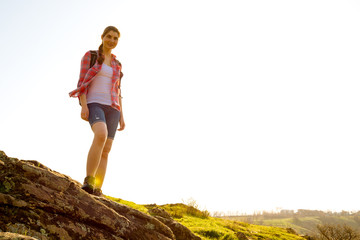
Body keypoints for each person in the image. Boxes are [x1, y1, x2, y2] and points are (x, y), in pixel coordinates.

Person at [69, 26, 125, 196]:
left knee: (106, 149)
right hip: (94, 103)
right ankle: (89, 180)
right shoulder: (91, 56)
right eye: (109, 36)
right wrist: (84, 105)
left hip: (113, 108)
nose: (112, 40)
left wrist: (122, 116)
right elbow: (81, 82)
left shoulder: (117, 64)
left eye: (115, 38)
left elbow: (118, 91)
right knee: (100, 134)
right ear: (102, 37)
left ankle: (98, 189)